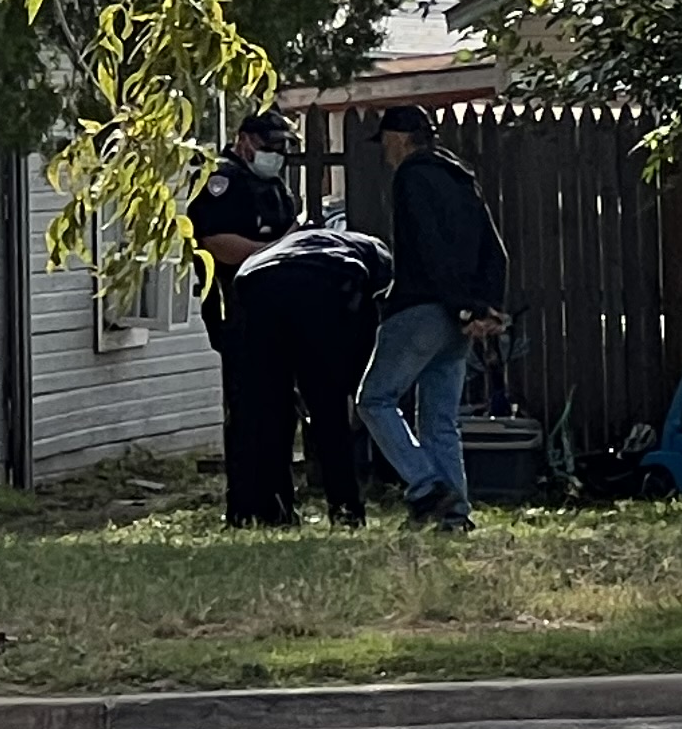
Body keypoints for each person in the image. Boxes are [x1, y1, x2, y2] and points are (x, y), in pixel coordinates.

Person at [360, 103, 509, 531]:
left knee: (374, 399)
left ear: (398, 139)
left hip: (422, 308)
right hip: (459, 319)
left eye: (386, 143)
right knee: (441, 420)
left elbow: (428, 247)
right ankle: (455, 516)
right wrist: (484, 307)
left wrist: (459, 304)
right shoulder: (461, 177)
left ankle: (427, 488)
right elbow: (495, 249)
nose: (385, 153)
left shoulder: (410, 176)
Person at [220, 218, 395, 525]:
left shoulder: (299, 245)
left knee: (264, 409)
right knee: (329, 412)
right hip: (323, 288)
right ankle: (345, 509)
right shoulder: (375, 253)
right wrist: (356, 378)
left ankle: (264, 509)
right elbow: (369, 319)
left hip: (254, 283)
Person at [187, 109, 303, 526]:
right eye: (270, 146)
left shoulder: (272, 185)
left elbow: (291, 228)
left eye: (282, 148)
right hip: (238, 309)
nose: (277, 155)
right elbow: (214, 240)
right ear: (245, 141)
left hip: (279, 311)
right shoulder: (222, 181)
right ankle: (247, 506)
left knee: (282, 409)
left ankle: (279, 505)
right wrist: (269, 252)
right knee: (249, 409)